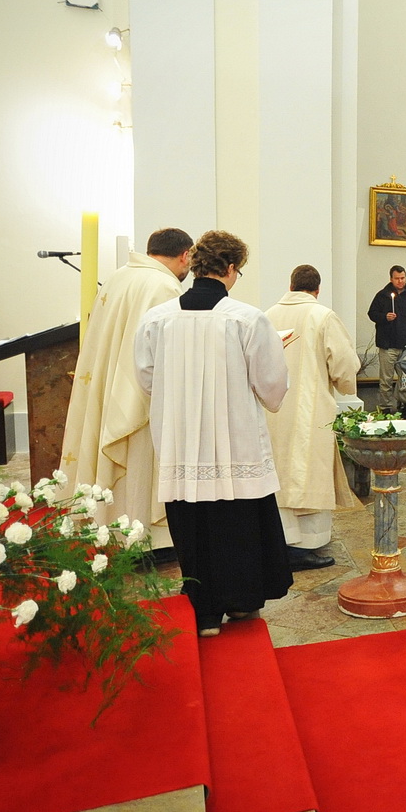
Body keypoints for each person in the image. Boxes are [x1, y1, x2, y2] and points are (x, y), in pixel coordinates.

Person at [134, 231, 291, 637]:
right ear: (231, 268)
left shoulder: (157, 318)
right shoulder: (247, 318)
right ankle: (240, 603)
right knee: (237, 524)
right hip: (234, 440)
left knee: (192, 525)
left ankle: (204, 613)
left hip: (181, 441)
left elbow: (147, 378)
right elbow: (271, 385)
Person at [58, 227, 191, 548]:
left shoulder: (119, 276)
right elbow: (167, 352)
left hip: (113, 383)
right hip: (139, 392)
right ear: (186, 255)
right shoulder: (163, 287)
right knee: (139, 460)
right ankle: (142, 536)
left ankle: (108, 526)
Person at [265, 265, 362, 571]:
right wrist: (346, 384)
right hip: (310, 409)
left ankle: (279, 540)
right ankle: (306, 545)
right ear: (317, 290)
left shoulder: (267, 315)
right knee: (308, 471)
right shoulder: (323, 316)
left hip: (272, 411)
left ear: (290, 285)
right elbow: (344, 364)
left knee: (279, 470)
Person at [366, 266, 406, 415]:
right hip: (388, 345)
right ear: (391, 279)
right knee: (386, 379)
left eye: (402, 278)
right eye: (397, 278)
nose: (400, 281)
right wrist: (384, 317)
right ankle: (385, 407)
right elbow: (372, 313)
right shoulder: (382, 296)